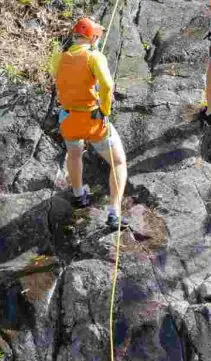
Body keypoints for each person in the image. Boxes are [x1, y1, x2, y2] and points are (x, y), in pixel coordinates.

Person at [55, 17, 129, 229]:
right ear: (94, 37)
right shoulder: (95, 56)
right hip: (92, 119)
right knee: (118, 162)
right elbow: (107, 85)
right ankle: (114, 212)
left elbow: (59, 78)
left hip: (68, 118)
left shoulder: (59, 57)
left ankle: (78, 195)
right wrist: (105, 109)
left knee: (75, 153)